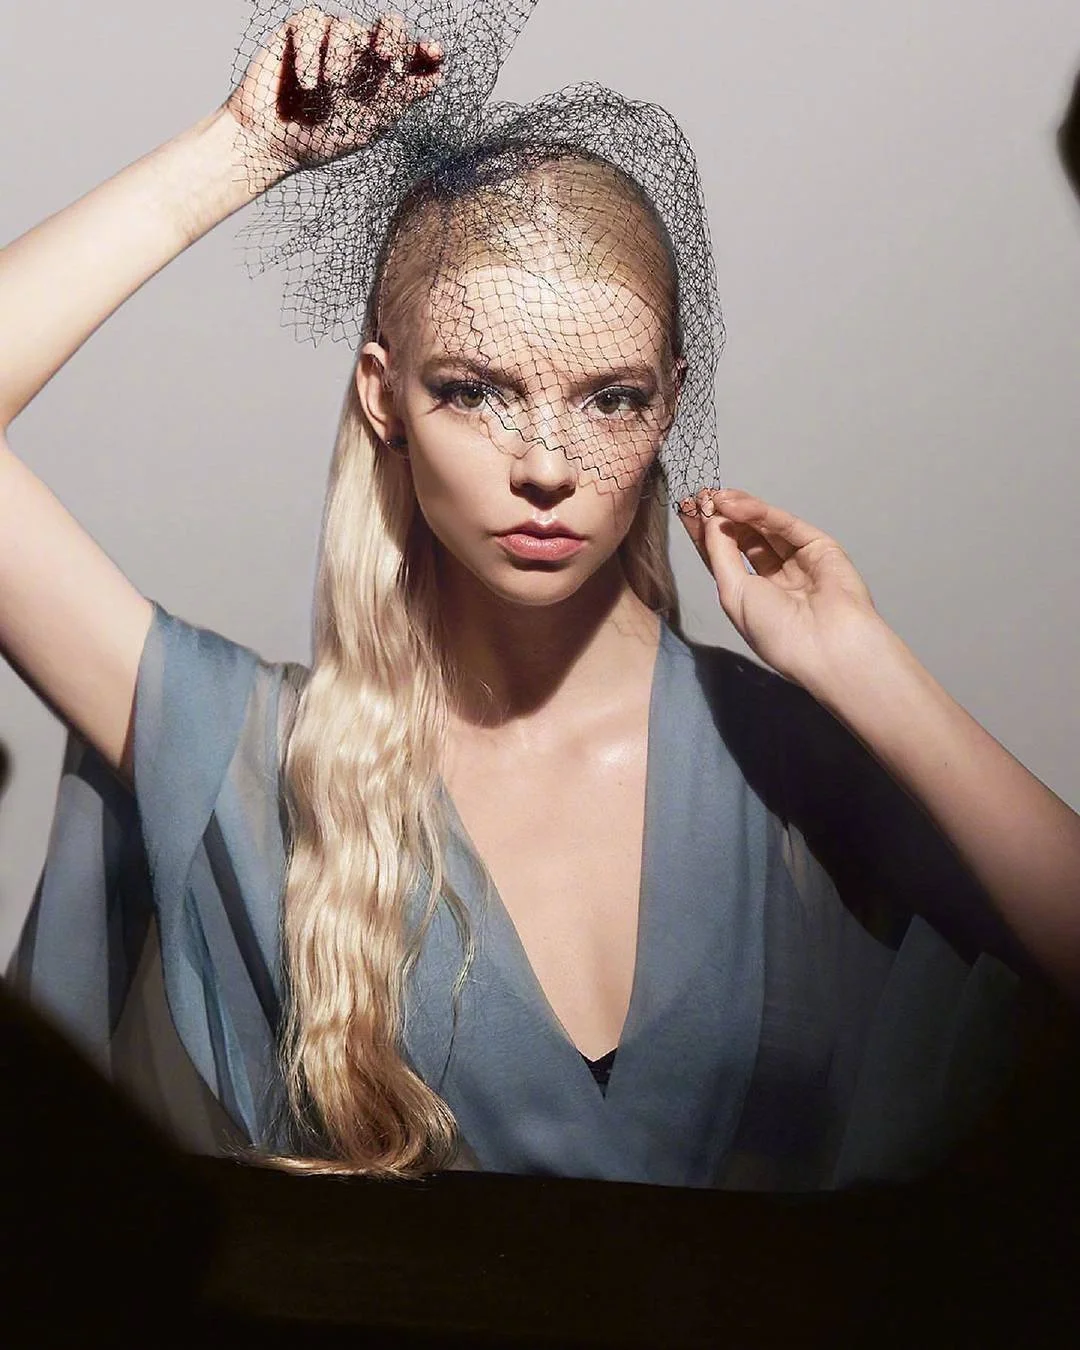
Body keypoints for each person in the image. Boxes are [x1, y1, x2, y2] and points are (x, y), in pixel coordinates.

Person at [4, 4, 1078, 1191]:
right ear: (384, 397)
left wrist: (865, 667)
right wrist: (238, 151)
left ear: (669, 403)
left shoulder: (780, 756)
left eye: (610, 398)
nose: (548, 467)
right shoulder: (253, 757)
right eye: (476, 391)